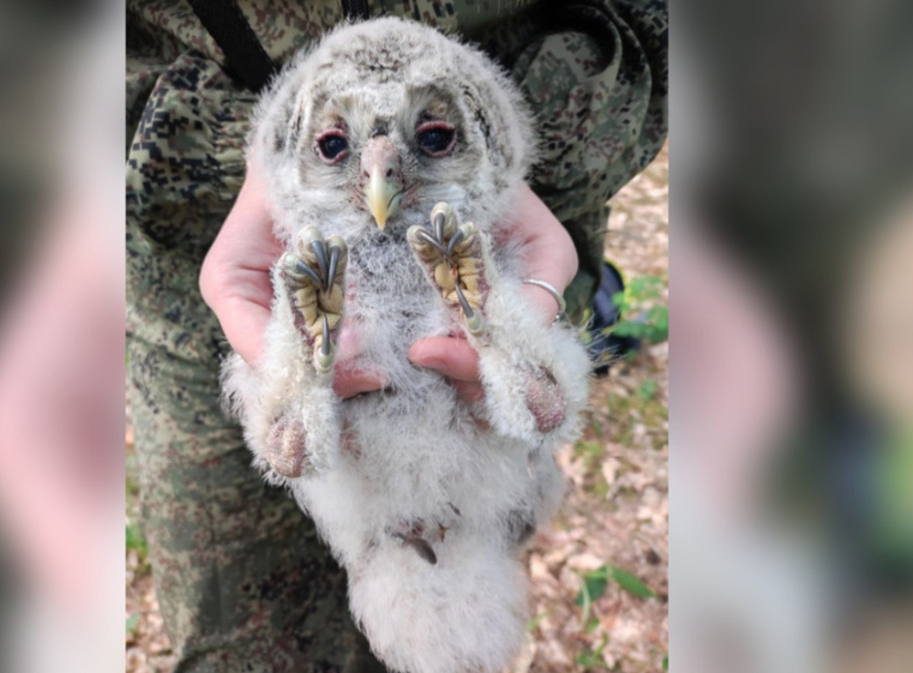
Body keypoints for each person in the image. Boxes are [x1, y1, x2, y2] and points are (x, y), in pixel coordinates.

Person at [125, 1, 667, 670]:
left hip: (495, 225)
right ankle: (337, 366)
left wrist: (495, 166)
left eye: (430, 136)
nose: (377, 179)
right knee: (246, 639)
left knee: (484, 454)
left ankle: (347, 362)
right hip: (225, 261)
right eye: (338, 147)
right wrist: (261, 164)